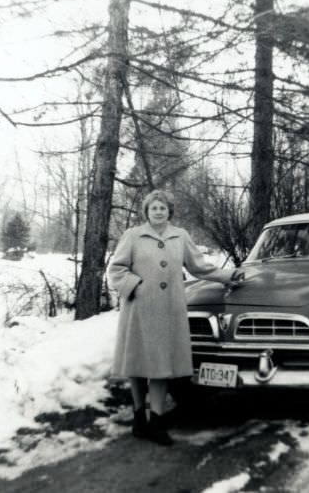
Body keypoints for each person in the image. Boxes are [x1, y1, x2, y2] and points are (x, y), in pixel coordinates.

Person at [106, 190, 245, 446]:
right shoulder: (133, 235)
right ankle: (139, 418)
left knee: (161, 367)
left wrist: (228, 276)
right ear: (146, 211)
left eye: (163, 208)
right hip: (139, 308)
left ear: (169, 211)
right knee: (137, 365)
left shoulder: (180, 236)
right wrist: (135, 286)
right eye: (154, 208)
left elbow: (199, 267)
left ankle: (157, 422)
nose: (158, 211)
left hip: (169, 310)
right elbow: (116, 269)